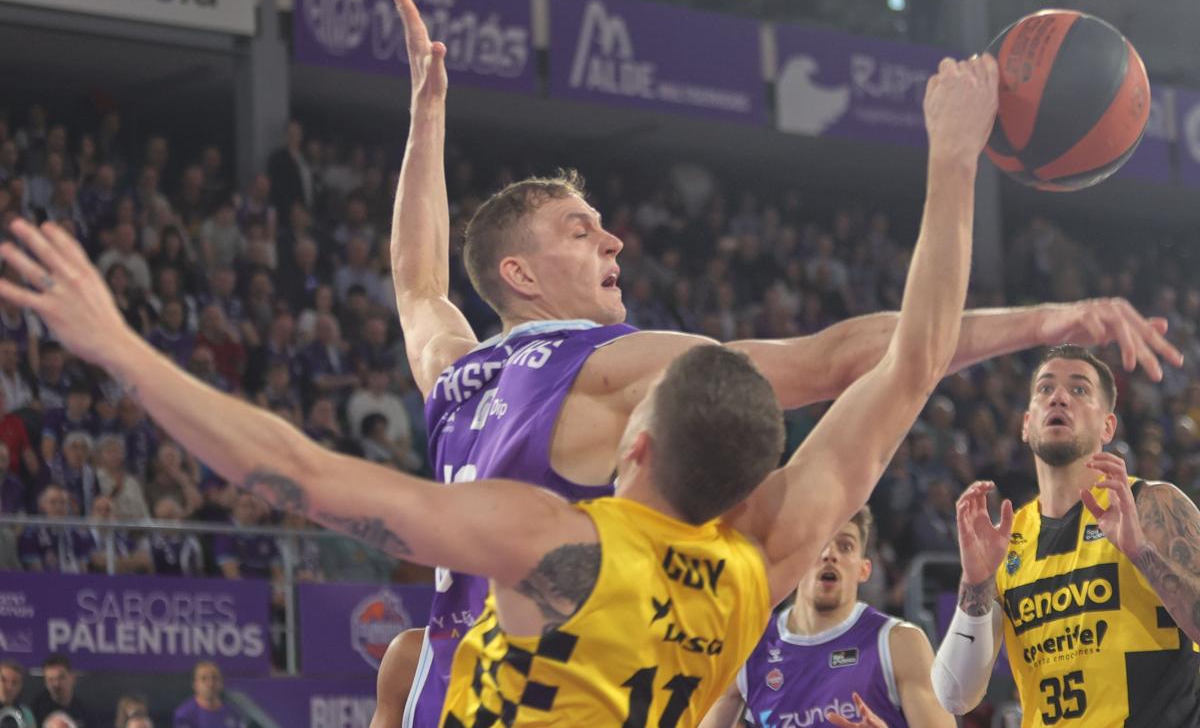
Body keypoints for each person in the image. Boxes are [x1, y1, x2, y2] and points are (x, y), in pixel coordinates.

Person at [0, 50, 984, 723]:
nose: (612, 244)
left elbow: (291, 468)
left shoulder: (547, 541)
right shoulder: (760, 566)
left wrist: (124, 352)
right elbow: (908, 359)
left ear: (634, 441)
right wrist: (956, 169)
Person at [373, 0, 1180, 724]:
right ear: (519, 273)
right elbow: (853, 360)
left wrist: (427, 109)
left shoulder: (458, 374)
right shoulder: (613, 372)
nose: (614, 239)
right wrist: (1042, 317)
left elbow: (416, 280)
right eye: (581, 231)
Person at [932, 344, 1200, 725]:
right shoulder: (1007, 539)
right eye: (1045, 389)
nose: (1058, 396)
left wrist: (1142, 554)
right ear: (1026, 424)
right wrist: (975, 582)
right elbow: (955, 695)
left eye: (1079, 390)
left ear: (1107, 426)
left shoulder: (1150, 505)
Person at [700, 508, 953, 728]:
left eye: (845, 546)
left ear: (864, 570)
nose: (830, 554)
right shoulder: (750, 643)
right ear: (796, 560)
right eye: (819, 543)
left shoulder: (899, 642)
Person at [172, 661, 245, 728]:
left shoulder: (233, 712)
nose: (210, 684)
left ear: (221, 682)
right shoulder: (184, 714)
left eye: (215, 678)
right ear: (195, 684)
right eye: (204, 679)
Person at [30, 655, 92, 727]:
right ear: (45, 683)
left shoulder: (85, 710)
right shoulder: (35, 710)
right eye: (51, 680)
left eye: (61, 677)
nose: (56, 684)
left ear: (72, 678)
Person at [0, 661, 34, 728]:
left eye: (14, 682)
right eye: (3, 680)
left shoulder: (26, 714)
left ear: (20, 687)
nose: (9, 687)